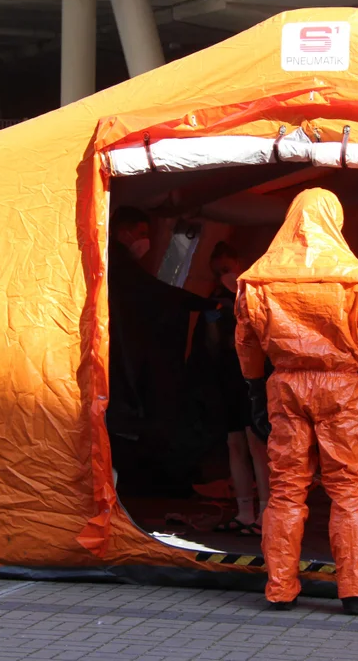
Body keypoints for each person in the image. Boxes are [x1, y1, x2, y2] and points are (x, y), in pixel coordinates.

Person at [234, 188, 358, 615]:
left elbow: (247, 341)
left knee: (286, 490)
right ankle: (356, 590)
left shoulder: (257, 281)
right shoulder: (357, 279)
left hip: (286, 386)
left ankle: (280, 589)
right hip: (341, 389)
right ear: (336, 219)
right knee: (347, 488)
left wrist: (256, 387)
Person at [107, 206, 219, 498]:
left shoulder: (113, 265)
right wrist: (205, 306)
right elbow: (157, 295)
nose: (145, 242)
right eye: (141, 234)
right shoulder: (121, 269)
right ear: (123, 233)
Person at [188, 242, 271, 535]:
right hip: (227, 378)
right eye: (217, 271)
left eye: (226, 269)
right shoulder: (216, 298)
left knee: (257, 444)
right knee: (234, 444)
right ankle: (245, 511)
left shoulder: (256, 291)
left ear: (238, 263)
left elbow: (265, 333)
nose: (221, 276)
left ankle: (266, 513)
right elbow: (208, 345)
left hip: (252, 380)